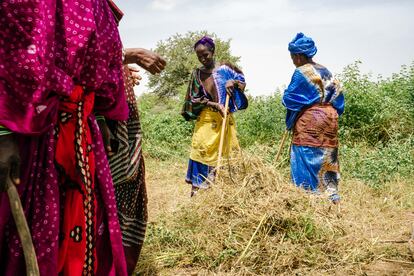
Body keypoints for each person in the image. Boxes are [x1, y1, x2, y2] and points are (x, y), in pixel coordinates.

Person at [0, 0, 130, 274]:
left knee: (79, 242)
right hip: (30, 135)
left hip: (83, 138)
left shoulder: (100, 6)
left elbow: (107, 68)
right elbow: (8, 51)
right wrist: (3, 134)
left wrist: (102, 117)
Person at [101, 3, 167, 274]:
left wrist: (120, 68)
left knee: (125, 200)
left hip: (123, 131)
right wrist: (130, 54)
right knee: (107, 204)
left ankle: (118, 264)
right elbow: (76, 56)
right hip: (107, 129)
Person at [282, 33, 345, 203]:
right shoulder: (327, 71)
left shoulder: (301, 72)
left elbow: (290, 99)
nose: (293, 61)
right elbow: (339, 102)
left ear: (298, 56)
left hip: (310, 122)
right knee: (328, 159)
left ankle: (308, 201)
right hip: (330, 120)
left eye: (293, 57)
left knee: (306, 160)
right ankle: (332, 199)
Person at [182, 36, 247, 197]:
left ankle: (224, 194)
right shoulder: (197, 74)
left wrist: (233, 83)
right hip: (206, 121)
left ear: (213, 51)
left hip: (225, 120)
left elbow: (242, 83)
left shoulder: (227, 69)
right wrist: (214, 105)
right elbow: (194, 98)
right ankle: (198, 195)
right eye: (199, 56)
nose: (203, 59)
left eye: (206, 54)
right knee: (201, 152)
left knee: (227, 156)